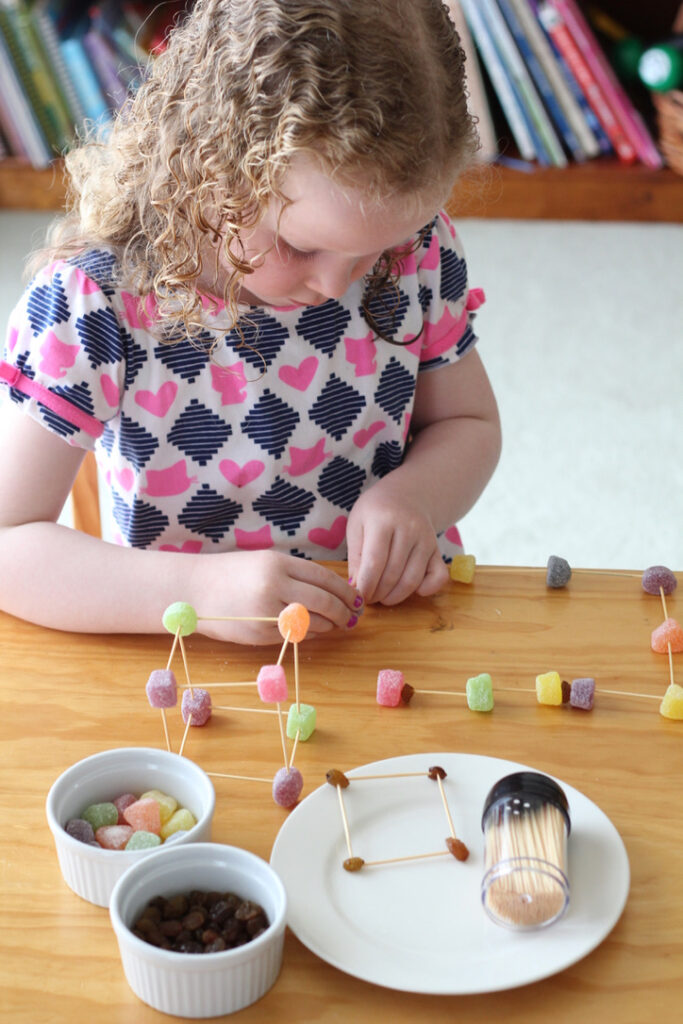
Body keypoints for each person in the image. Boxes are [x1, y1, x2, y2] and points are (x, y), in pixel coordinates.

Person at [0, 0, 501, 645]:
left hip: (388, 631)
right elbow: (10, 543)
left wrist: (415, 499)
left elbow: (469, 424)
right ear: (213, 164)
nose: (335, 284)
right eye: (300, 246)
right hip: (191, 657)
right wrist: (200, 595)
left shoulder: (416, 253)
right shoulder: (95, 301)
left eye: (378, 249)